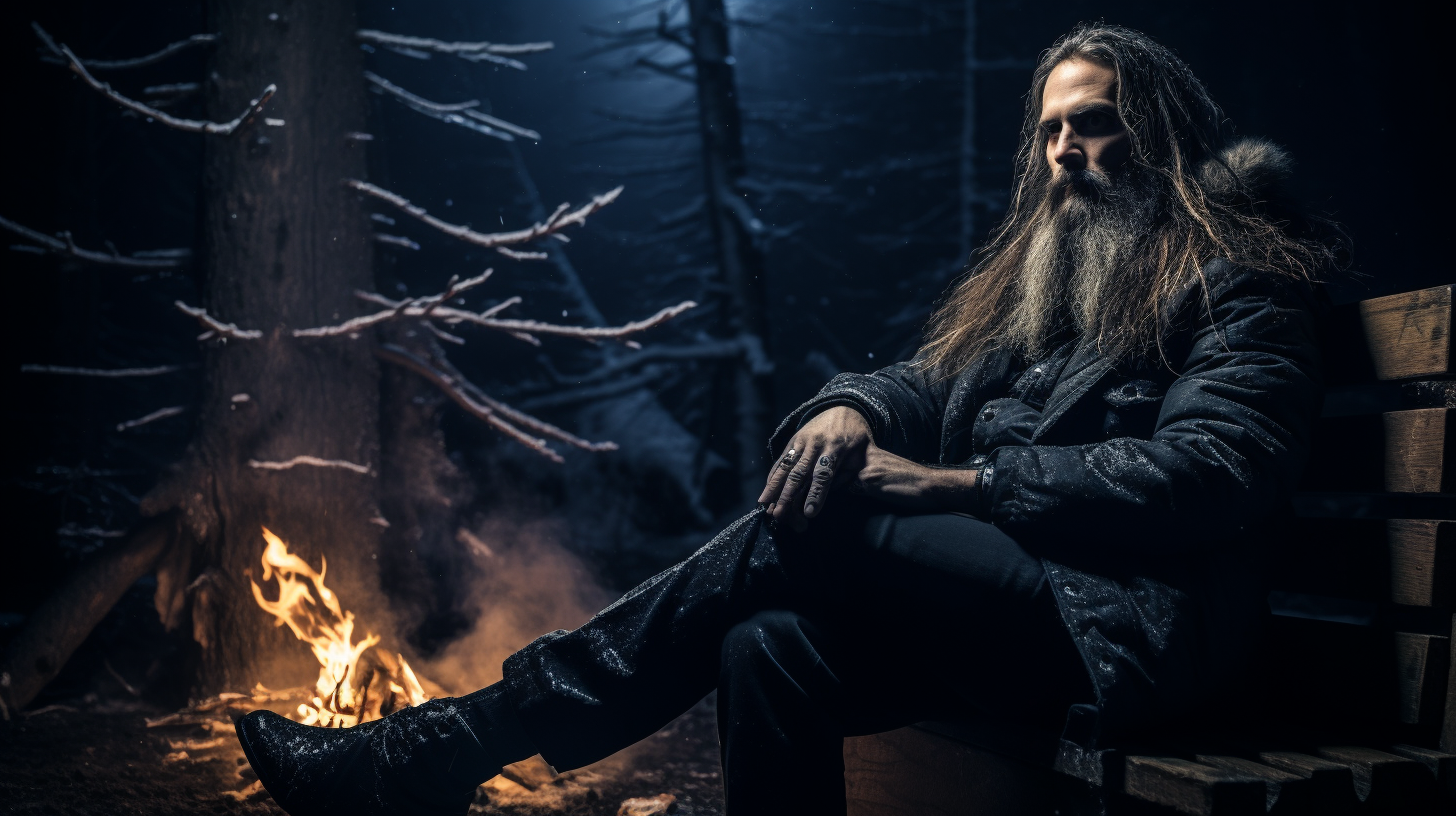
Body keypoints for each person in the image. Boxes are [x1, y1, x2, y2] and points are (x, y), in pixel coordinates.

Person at [235, 23, 1340, 816]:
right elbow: (922, 381)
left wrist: (958, 487)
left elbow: (1214, 471)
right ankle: (442, 752)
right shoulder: (1054, 284)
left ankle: (444, 749)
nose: (1063, 154)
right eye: (1049, 131)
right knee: (769, 645)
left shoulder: (1235, 278)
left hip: (1130, 627)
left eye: (1091, 126)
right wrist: (852, 410)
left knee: (808, 533)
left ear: (1156, 135)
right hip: (1018, 612)